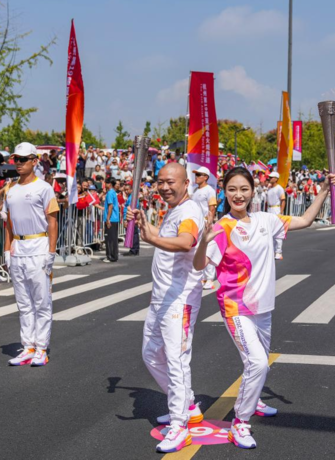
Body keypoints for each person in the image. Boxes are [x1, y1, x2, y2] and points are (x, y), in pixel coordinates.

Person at [193, 166, 335, 449]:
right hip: (236, 307)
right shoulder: (222, 227)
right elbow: (200, 265)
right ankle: (240, 424)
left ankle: (254, 397)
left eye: (244, 189)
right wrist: (204, 242)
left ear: (253, 191)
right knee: (257, 362)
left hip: (263, 308)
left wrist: (323, 189)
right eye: (232, 189)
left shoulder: (266, 220)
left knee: (261, 364)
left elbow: (307, 220)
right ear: (224, 192)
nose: (238, 195)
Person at [128, 163, 205, 453]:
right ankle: (186, 406)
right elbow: (169, 238)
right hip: (162, 296)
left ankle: (180, 426)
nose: (164, 187)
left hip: (180, 298)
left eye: (170, 182)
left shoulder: (189, 211)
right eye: (160, 182)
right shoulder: (174, 209)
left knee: (176, 359)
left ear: (186, 183)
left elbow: (186, 242)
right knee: (150, 354)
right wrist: (146, 224)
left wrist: (153, 237)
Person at [4, 142, 59, 367]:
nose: (18, 163)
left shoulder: (44, 188)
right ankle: (27, 346)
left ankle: (42, 348)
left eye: (23, 159)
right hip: (18, 248)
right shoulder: (10, 189)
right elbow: (8, 223)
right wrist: (6, 251)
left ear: (35, 161)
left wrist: (51, 251)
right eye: (16, 159)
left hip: (39, 245)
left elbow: (53, 221)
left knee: (41, 301)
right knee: (23, 302)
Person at [191, 166, 217, 290]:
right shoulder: (195, 191)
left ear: (206, 177)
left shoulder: (209, 190)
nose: (196, 177)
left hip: (205, 223)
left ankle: (210, 278)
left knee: (207, 250)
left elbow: (212, 207)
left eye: (199, 175)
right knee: (198, 250)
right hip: (196, 224)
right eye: (196, 175)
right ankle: (201, 277)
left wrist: (209, 223)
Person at [266, 171, 286, 260]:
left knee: (278, 231)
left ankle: (278, 252)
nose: (269, 178)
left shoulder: (279, 188)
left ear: (276, 179)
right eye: (269, 177)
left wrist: (281, 212)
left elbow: (283, 200)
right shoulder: (269, 188)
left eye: (271, 177)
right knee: (270, 231)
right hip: (269, 210)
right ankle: (272, 251)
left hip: (276, 209)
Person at [103, 177, 120, 263]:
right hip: (115, 218)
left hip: (111, 218)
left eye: (106, 183)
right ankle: (114, 255)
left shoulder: (110, 193)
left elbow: (110, 206)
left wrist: (108, 219)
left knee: (109, 239)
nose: (105, 184)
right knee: (113, 238)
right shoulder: (113, 192)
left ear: (109, 184)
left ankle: (111, 256)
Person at [123, 183, 140, 256]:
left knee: (133, 235)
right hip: (131, 218)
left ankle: (134, 250)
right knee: (133, 234)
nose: (126, 191)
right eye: (125, 190)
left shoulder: (132, 198)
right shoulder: (131, 197)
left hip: (131, 219)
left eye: (127, 189)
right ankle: (134, 249)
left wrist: (126, 220)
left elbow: (131, 209)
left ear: (131, 190)